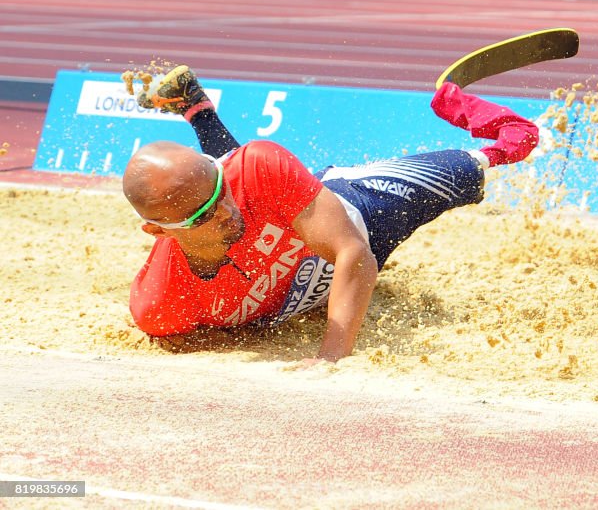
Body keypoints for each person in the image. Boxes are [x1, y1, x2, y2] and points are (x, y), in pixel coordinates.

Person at [123, 65, 539, 364]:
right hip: (289, 234)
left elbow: (352, 252)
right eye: (203, 217)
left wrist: (331, 357)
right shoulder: (160, 306)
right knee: (226, 181)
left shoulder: (254, 167)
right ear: (157, 231)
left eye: (224, 193)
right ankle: (195, 106)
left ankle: (454, 100)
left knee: (491, 157)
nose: (227, 214)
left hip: (363, 211)